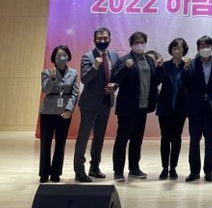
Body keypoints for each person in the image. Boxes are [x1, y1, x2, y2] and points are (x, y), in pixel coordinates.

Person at [112, 31, 162, 181]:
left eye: (142, 42)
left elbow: (155, 81)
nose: (140, 45)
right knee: (122, 139)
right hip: (127, 107)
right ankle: (118, 171)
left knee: (137, 139)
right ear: (131, 44)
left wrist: (159, 68)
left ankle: (134, 168)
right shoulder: (124, 60)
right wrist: (125, 68)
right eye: (136, 42)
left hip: (143, 106)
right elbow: (115, 80)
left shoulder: (149, 60)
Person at [73, 27, 119, 182]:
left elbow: (116, 76)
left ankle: (94, 168)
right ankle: (79, 171)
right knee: (83, 138)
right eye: (99, 38)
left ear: (110, 39)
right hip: (89, 104)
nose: (102, 41)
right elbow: (85, 79)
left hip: (106, 102)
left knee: (99, 138)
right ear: (94, 40)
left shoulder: (113, 55)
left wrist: (115, 85)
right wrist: (95, 66)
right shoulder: (87, 57)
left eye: (105, 38)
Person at [183, 35, 212, 182]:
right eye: (202, 46)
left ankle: (209, 171)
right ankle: (194, 171)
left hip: (211, 107)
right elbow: (185, 83)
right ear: (197, 48)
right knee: (194, 140)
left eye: (208, 46)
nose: (205, 49)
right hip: (195, 107)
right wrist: (185, 68)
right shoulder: (191, 64)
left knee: (210, 141)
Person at [39, 45, 79, 183]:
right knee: (45, 143)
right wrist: (52, 78)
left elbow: (75, 93)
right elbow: (46, 90)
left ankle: (56, 173)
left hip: (64, 112)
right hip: (48, 112)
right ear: (53, 58)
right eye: (58, 56)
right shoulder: (46, 72)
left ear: (68, 57)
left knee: (60, 143)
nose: (61, 58)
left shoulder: (73, 73)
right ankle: (44, 173)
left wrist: (69, 110)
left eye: (64, 55)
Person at [156, 38, 189, 180]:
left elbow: (190, 83)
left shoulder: (187, 66)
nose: (177, 51)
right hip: (165, 108)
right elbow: (156, 81)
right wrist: (158, 68)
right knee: (165, 138)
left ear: (184, 50)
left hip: (180, 108)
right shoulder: (165, 65)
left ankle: (173, 167)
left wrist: (187, 68)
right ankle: (164, 168)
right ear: (171, 50)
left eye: (180, 48)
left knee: (176, 138)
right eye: (174, 48)